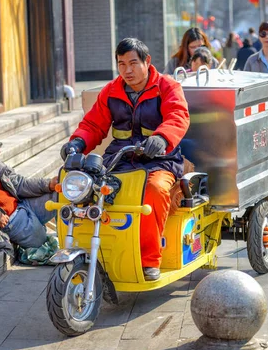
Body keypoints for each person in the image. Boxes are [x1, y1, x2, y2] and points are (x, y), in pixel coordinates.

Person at [61, 38, 190, 281]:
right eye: (121, 64)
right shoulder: (111, 91)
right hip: (119, 159)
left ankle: (149, 260)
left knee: (154, 191)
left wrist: (162, 138)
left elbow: (178, 116)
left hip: (160, 160)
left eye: (132, 63)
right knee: (92, 190)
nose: (127, 70)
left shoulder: (167, 86)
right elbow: (92, 124)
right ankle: (94, 251)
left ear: (147, 61)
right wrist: (77, 142)